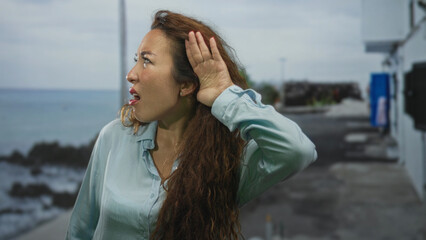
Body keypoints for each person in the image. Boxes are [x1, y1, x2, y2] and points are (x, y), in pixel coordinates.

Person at [66, 10, 317, 240]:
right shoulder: (114, 137)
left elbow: (297, 151)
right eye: (136, 60)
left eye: (147, 61)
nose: (131, 73)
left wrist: (224, 94)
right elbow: (79, 231)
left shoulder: (228, 156)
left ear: (186, 85)